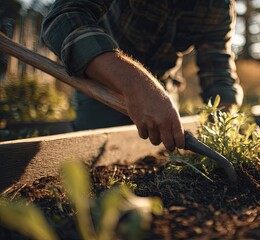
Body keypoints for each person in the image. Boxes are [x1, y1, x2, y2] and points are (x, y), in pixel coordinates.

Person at [41, 0, 243, 151]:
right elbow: (63, 18)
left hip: (163, 93)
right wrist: (135, 85)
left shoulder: (219, 6)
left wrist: (225, 123)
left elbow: (217, 65)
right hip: (103, 81)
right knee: (94, 155)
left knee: (159, 158)